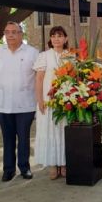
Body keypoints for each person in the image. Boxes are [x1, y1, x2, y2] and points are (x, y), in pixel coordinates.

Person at [0, 21, 39, 181]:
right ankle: (8, 170)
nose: (10, 35)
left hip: (25, 103)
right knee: (7, 138)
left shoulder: (32, 52)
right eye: (7, 32)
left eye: (14, 32)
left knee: (24, 138)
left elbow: (39, 78)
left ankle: (24, 168)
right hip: (3, 104)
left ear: (21, 34)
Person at [34, 26, 69, 179]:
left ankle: (64, 164)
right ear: (50, 39)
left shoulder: (71, 56)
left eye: (60, 36)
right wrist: (40, 100)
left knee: (64, 132)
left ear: (65, 39)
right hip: (48, 101)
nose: (56, 39)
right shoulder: (44, 56)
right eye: (53, 36)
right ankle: (53, 165)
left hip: (67, 100)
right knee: (50, 130)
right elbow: (39, 79)